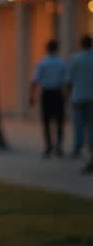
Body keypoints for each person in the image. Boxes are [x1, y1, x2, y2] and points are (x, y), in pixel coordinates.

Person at [30, 40, 68, 158]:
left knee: (46, 121)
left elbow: (35, 80)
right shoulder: (61, 63)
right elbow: (66, 81)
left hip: (46, 94)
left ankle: (48, 146)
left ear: (47, 49)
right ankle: (59, 146)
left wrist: (31, 96)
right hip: (57, 93)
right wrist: (66, 95)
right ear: (57, 49)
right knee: (59, 121)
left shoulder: (42, 62)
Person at [67, 35, 93, 167]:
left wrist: (68, 93)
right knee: (91, 125)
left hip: (78, 96)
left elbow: (70, 79)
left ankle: (78, 146)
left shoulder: (76, 58)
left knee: (79, 124)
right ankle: (90, 149)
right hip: (91, 97)